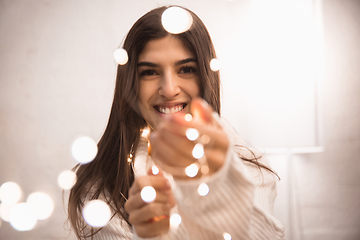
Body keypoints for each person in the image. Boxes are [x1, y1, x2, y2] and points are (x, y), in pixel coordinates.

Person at [68, 5, 285, 240]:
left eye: (186, 69)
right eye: (149, 72)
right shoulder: (100, 187)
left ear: (205, 77)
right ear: (131, 84)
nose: (169, 89)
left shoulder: (250, 167)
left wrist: (214, 187)